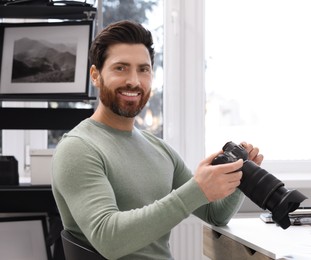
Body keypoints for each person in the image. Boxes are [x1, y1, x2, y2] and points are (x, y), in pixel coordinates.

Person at [52, 20, 263, 260]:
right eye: (121, 68)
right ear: (95, 75)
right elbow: (108, 239)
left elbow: (215, 215)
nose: (134, 81)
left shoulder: (159, 149)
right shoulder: (78, 148)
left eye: (143, 69)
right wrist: (196, 189)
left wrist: (239, 175)